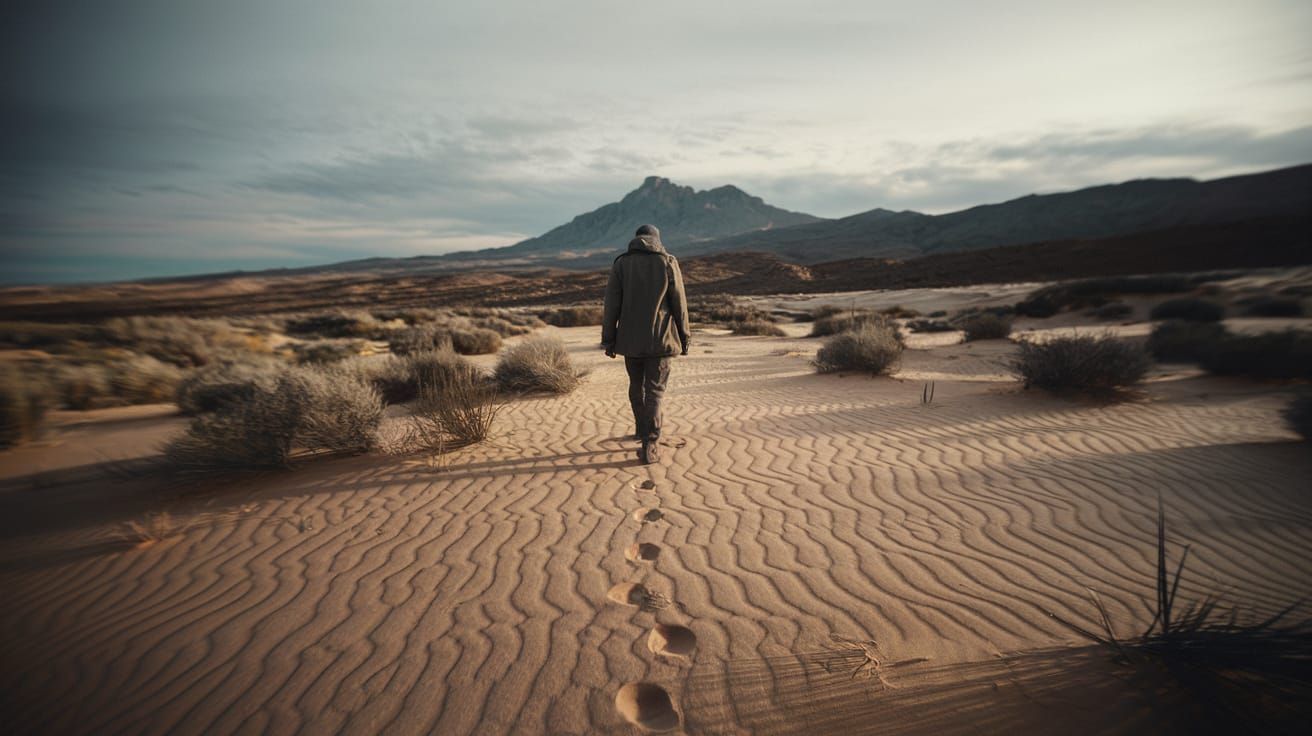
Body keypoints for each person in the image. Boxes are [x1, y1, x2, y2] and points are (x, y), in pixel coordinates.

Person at [601, 224, 690, 464]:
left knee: (636, 386)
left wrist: (609, 339)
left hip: (630, 341)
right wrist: (685, 336)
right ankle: (650, 442)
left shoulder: (621, 263)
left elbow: (611, 305)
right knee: (655, 391)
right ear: (656, 239)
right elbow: (679, 303)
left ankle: (642, 430)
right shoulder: (668, 262)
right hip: (661, 340)